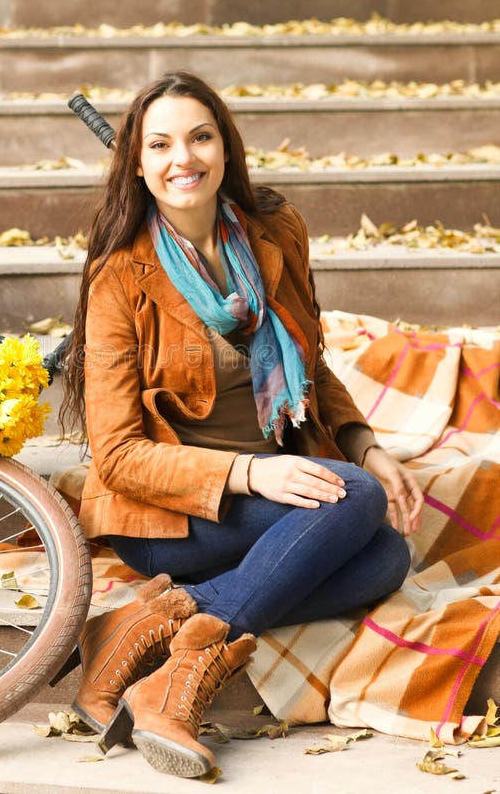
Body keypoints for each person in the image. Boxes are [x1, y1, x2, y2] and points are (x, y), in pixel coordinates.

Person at [57, 70, 424, 779]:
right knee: (358, 504)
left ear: (226, 147)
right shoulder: (119, 278)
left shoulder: (275, 231)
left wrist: (366, 446)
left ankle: (149, 627)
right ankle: (181, 683)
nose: (181, 159)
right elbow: (118, 457)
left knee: (385, 559)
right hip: (167, 512)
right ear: (136, 163)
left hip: (272, 492)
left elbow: (310, 365)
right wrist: (253, 471)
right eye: (159, 144)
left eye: (200, 137)